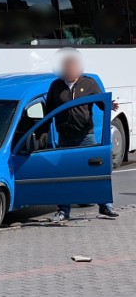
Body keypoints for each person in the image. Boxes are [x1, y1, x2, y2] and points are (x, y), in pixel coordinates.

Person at [46, 49, 120, 222]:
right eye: (66, 67)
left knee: (96, 171)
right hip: (65, 137)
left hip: (86, 135)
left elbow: (101, 103)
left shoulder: (89, 83)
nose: (69, 70)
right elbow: (49, 109)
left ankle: (105, 206)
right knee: (64, 175)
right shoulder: (56, 86)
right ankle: (63, 211)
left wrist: (110, 105)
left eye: (73, 67)